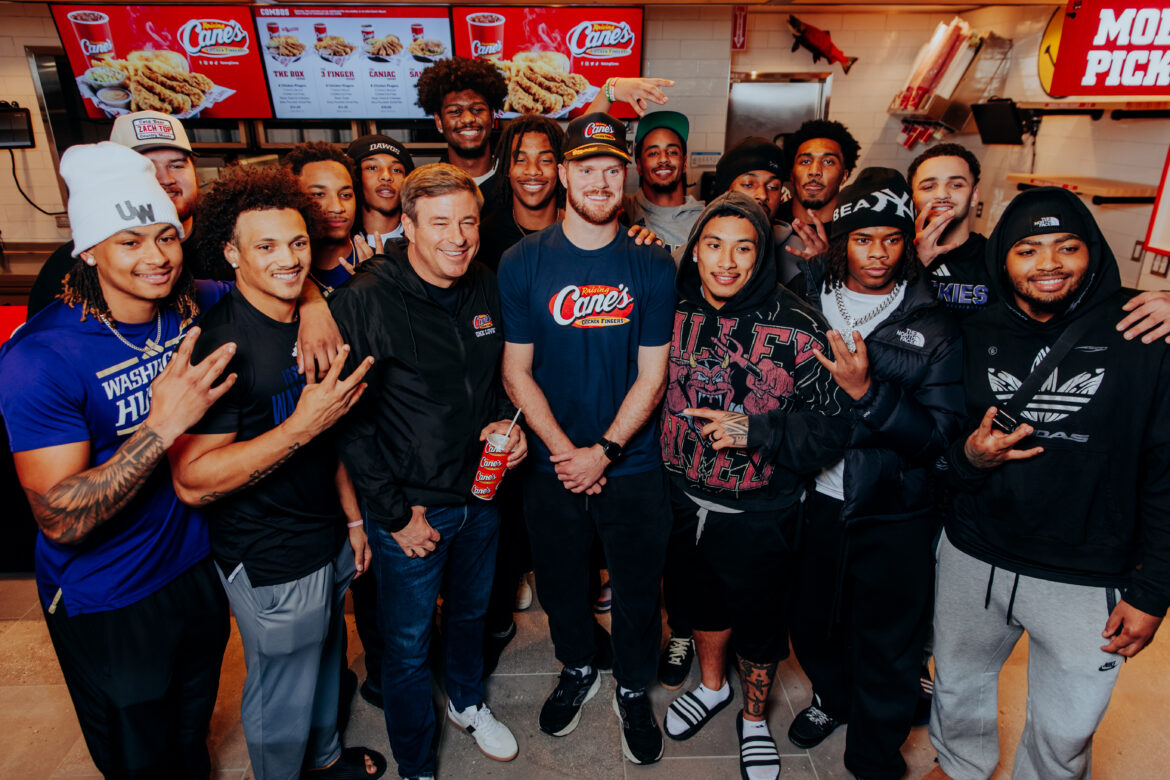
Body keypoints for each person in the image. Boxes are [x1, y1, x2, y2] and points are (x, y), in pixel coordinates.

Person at [0, 141, 239, 778]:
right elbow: (59, 517)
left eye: (165, 236)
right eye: (129, 242)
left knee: (191, 731)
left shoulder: (192, 302)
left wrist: (317, 307)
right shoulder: (41, 356)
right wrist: (162, 427)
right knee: (138, 756)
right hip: (109, 593)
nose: (156, 257)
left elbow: (271, 287)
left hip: (195, 566)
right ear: (88, 250)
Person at [927, 187, 1170, 780]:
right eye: (1028, 250)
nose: (1049, 264)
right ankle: (960, 766)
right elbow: (944, 450)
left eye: (1067, 246)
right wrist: (971, 456)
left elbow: (1167, 470)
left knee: (1068, 726)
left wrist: (1153, 590)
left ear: (1093, 252)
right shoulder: (972, 330)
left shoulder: (1144, 330)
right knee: (957, 685)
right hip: (975, 554)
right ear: (1003, 259)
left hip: (1088, 573)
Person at [167, 165, 383, 780]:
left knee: (323, 663)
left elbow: (331, 434)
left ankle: (326, 761)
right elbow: (193, 480)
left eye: (297, 243)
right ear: (231, 253)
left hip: (324, 534)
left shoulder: (308, 314)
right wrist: (298, 428)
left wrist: (352, 521)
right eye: (265, 247)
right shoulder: (222, 344)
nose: (288, 259)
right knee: (281, 697)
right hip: (269, 555)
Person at [329, 163, 526, 780]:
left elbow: (496, 379)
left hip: (481, 496)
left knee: (470, 617)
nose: (457, 237)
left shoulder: (484, 282)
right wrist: (393, 515)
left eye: (467, 222)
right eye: (440, 223)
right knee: (409, 647)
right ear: (408, 227)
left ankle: (467, 703)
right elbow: (349, 423)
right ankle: (416, 764)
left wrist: (506, 425)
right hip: (412, 512)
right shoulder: (365, 297)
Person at [499, 112, 676, 765]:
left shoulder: (652, 261)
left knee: (637, 588)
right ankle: (577, 666)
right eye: (586, 168)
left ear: (624, 176)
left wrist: (603, 452)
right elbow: (515, 371)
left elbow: (654, 374)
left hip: (631, 462)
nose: (600, 181)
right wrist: (564, 453)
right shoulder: (522, 261)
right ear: (563, 174)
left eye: (611, 169)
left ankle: (632, 686)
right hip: (553, 464)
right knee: (561, 584)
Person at [658, 191, 851, 780]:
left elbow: (834, 428)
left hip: (763, 510)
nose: (727, 261)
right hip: (682, 500)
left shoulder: (801, 324)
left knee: (761, 624)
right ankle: (713, 687)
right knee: (702, 606)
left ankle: (754, 717)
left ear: (762, 255)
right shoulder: (670, 309)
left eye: (744, 248)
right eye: (714, 245)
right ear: (694, 251)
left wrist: (756, 429)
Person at [783, 168, 964, 780]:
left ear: (907, 243)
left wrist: (867, 392)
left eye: (891, 238)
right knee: (811, 625)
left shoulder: (933, 322)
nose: (878, 252)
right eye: (863, 239)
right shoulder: (808, 296)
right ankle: (834, 699)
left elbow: (938, 438)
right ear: (843, 243)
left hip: (895, 507)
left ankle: (873, 752)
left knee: (887, 642)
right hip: (816, 499)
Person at [28, 111, 346, 382]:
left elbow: (281, 270)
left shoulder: (231, 232)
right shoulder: (69, 267)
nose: (164, 179)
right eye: (146, 167)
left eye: (177, 165)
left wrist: (313, 306)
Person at [909, 143, 1170, 341]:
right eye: (928, 187)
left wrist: (1165, 300)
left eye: (956, 185)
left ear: (974, 194)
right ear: (913, 196)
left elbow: (1088, 296)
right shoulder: (894, 258)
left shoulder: (1004, 260)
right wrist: (913, 263)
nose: (942, 195)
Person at [714, 137, 828, 285]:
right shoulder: (700, 244)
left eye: (773, 187)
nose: (762, 195)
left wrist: (823, 269)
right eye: (748, 184)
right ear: (725, 192)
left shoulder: (800, 251)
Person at [415, 57, 508, 213]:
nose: (468, 119)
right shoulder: (424, 187)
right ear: (439, 121)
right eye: (455, 111)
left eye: (477, 110)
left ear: (492, 117)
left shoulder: (515, 181)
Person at [286, 141, 366, 297]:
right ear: (294, 197)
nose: (337, 207)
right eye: (319, 195)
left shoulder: (380, 265)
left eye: (345, 195)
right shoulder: (283, 272)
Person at [622, 110, 705, 253]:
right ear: (639, 166)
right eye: (653, 153)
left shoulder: (706, 219)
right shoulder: (622, 209)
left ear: (684, 163)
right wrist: (608, 98)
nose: (663, 159)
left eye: (672, 152)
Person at [347, 133, 415, 250]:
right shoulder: (338, 245)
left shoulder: (422, 241)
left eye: (396, 170)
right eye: (372, 168)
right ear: (354, 177)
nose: (386, 176)